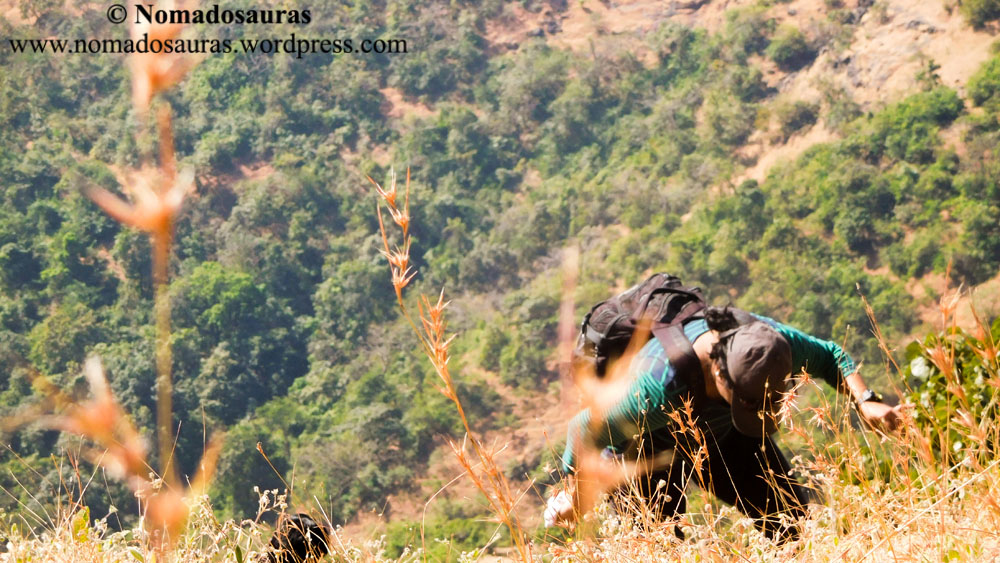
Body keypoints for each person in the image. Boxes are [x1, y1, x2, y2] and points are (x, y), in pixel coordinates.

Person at [544, 305, 909, 542]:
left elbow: (831, 355)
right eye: (749, 405)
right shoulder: (655, 389)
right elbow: (583, 430)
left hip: (721, 431)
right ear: (719, 374)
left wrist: (867, 402)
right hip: (647, 447)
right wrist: (577, 496)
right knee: (658, 546)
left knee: (793, 526)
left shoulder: (769, 345)